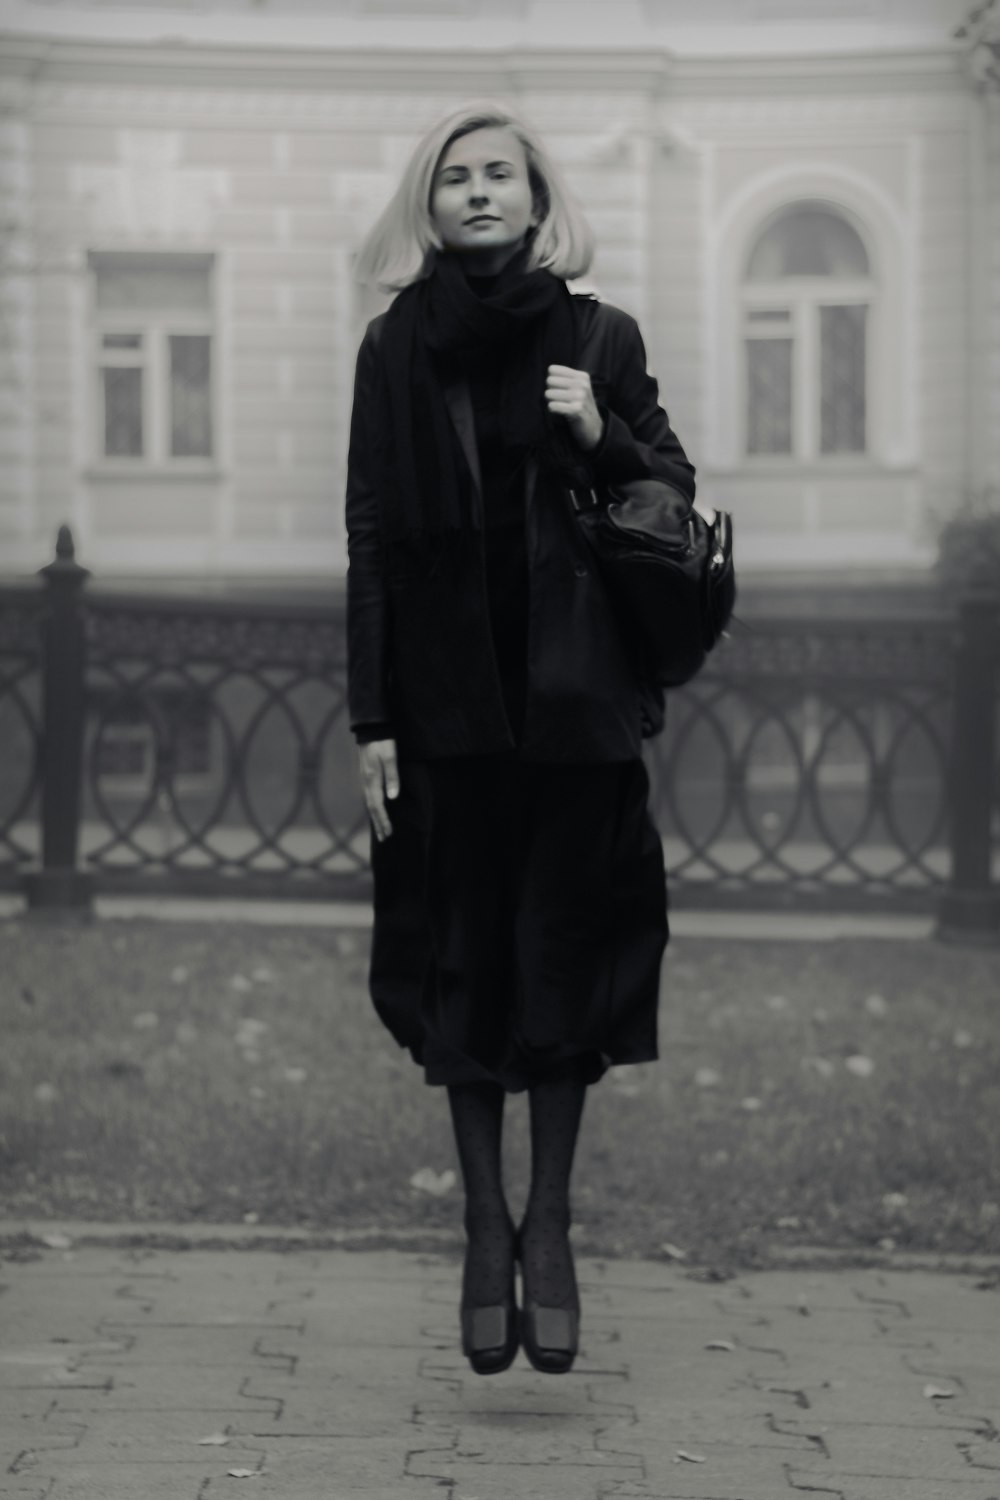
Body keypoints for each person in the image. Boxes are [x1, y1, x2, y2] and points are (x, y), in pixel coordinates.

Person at [345, 102, 696, 1377]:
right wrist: (370, 717)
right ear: (428, 206)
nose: (480, 193)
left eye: (501, 174)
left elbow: (674, 498)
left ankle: (548, 1221)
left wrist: (597, 431)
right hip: (446, 712)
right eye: (456, 178)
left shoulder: (599, 335)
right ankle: (481, 1226)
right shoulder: (395, 348)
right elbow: (372, 534)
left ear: (539, 199)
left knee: (561, 964)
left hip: (573, 708)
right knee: (463, 967)